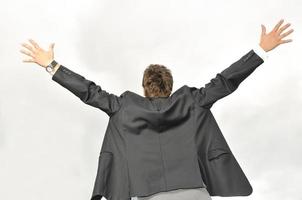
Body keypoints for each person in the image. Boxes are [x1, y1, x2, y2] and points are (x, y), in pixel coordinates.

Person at [20, 19, 293, 200]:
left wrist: (52, 66)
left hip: (148, 195)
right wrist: (260, 51)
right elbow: (224, 81)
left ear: (144, 87)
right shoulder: (192, 100)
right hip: (195, 194)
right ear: (170, 86)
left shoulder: (124, 106)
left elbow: (89, 92)